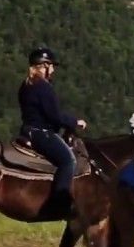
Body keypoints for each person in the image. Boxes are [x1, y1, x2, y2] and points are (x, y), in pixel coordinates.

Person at [17, 47, 87, 215]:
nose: (53, 70)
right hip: (41, 132)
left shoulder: (26, 85)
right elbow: (54, 116)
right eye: (51, 66)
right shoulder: (43, 87)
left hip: (28, 130)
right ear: (44, 66)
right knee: (68, 160)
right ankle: (59, 203)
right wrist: (75, 122)